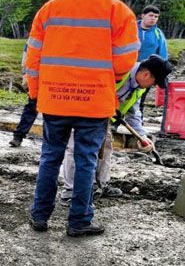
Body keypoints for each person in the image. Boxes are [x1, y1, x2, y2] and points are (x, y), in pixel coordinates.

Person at [25, 0, 139, 237]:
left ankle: (39, 216)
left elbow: (33, 57)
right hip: (94, 102)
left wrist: (36, 91)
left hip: (55, 99)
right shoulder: (118, 11)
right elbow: (125, 61)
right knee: (86, 159)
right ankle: (79, 221)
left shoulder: (50, 8)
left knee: (50, 157)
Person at [59, 55, 173, 203]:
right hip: (82, 110)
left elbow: (134, 112)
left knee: (106, 146)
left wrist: (142, 136)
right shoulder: (119, 71)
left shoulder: (139, 87)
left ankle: (99, 185)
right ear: (145, 74)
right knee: (75, 147)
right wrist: (107, 105)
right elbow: (91, 87)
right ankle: (70, 190)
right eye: (154, 82)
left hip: (104, 118)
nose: (152, 86)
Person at [136, 5, 169, 116]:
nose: (153, 18)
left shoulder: (158, 34)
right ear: (143, 15)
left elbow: (163, 54)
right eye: (151, 15)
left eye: (156, 16)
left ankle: (138, 121)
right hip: (127, 69)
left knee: (141, 98)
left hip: (147, 72)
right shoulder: (131, 28)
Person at [10, 43, 38, 147]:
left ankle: (18, 136)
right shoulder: (33, 41)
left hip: (50, 80)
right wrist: (25, 77)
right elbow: (26, 60)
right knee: (31, 107)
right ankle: (18, 136)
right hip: (37, 81)